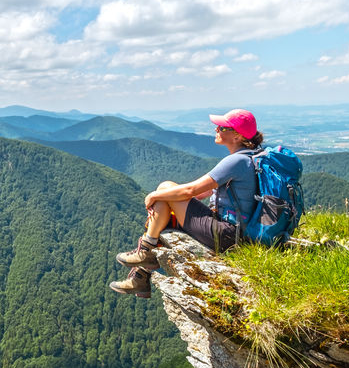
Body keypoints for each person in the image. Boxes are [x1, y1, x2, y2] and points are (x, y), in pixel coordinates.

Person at [109, 108, 265, 298]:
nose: (216, 129)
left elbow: (191, 191)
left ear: (237, 136)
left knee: (164, 191)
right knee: (167, 196)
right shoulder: (254, 156)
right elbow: (205, 192)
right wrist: (170, 199)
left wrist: (156, 196)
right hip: (235, 230)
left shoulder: (236, 161)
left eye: (222, 127)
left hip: (226, 234)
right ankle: (142, 270)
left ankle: (145, 256)